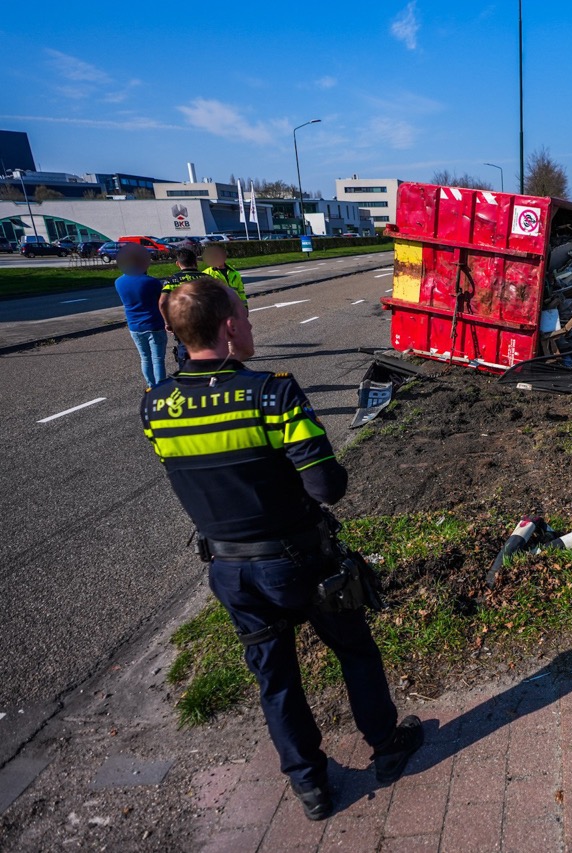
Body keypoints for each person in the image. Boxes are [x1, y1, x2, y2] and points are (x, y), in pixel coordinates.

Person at [141, 278, 422, 821]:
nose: (249, 327)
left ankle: (310, 787)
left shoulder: (156, 406)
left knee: (275, 678)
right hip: (299, 561)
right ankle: (387, 747)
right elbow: (326, 487)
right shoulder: (270, 391)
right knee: (354, 650)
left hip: (228, 569)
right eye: (244, 318)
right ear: (227, 327)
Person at [113, 243, 167, 386]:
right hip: (154, 323)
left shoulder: (119, 282)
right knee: (158, 359)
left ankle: (151, 385)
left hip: (134, 325)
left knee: (145, 358)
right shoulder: (152, 282)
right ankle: (160, 387)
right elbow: (161, 301)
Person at [158, 246, 206, 367]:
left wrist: (168, 322)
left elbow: (162, 302)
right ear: (196, 262)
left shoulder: (172, 280)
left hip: (182, 325)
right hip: (205, 325)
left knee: (185, 360)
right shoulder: (207, 279)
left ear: (178, 263)